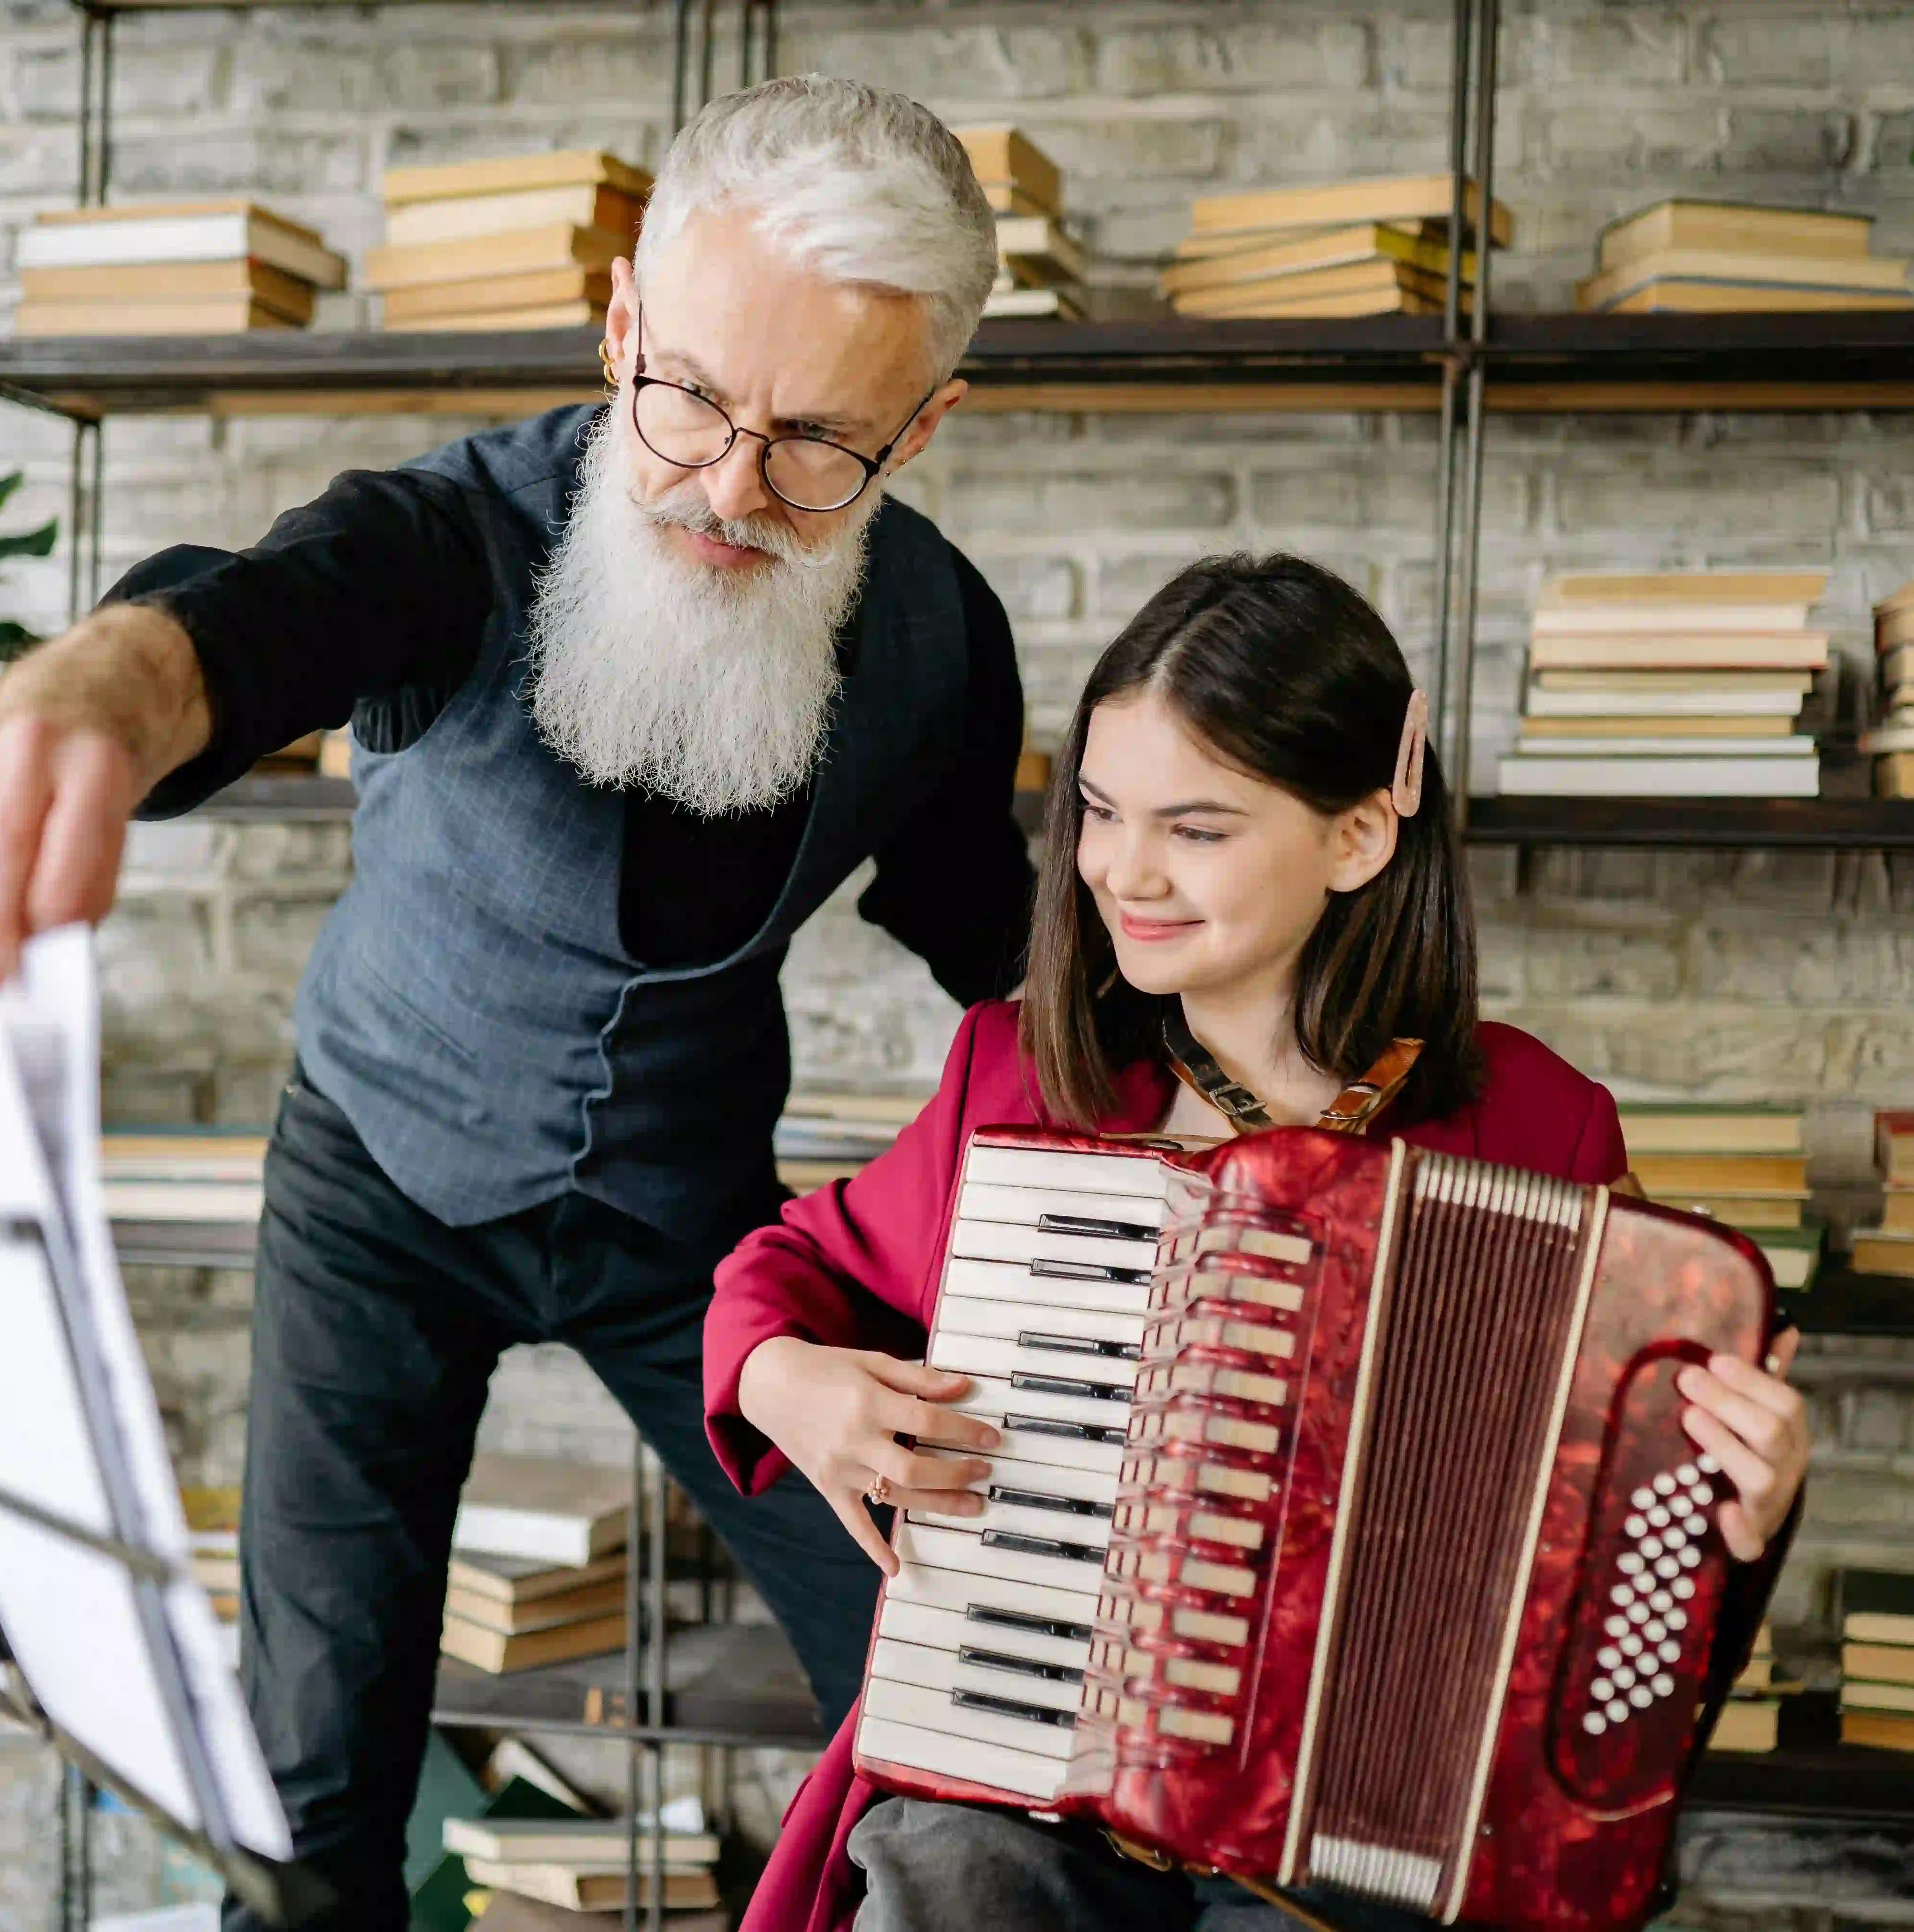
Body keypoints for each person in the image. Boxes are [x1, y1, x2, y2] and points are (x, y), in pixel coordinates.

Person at [0, 78, 1035, 1929]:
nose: (735, 489)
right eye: (691, 399)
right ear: (621, 324)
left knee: (940, 1683)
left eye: (822, 441)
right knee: (313, 1794)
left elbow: (991, 932)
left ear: (925, 426)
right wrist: (87, 694)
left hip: (694, 1234)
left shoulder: (940, 642)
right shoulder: (456, 536)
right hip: (381, 1188)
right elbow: (249, 621)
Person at [702, 554, 1813, 1932]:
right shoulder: (1021, 1079)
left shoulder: (1541, 1127)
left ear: (1357, 835)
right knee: (951, 1891)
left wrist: (1738, 1513)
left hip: (1360, 1836)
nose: (1126, 870)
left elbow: (1632, 1564)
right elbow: (788, 1274)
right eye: (1101, 812)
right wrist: (785, 1383)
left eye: (1200, 828)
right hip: (1029, 1774)